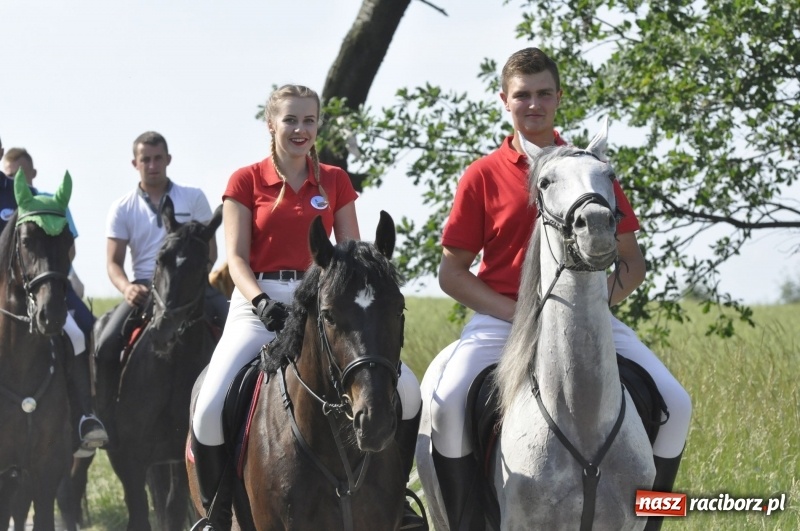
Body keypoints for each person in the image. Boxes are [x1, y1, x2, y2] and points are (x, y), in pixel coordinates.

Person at [430, 47, 692, 531]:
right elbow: (452, 273)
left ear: (559, 97)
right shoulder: (482, 175)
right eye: (522, 95)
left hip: (586, 316)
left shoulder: (589, 169)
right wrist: (521, 315)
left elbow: (632, 262)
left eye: (544, 93)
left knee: (676, 404)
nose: (534, 104)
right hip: (502, 319)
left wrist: (586, 307)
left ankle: (651, 521)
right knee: (445, 405)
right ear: (504, 101)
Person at [189, 84, 425, 531]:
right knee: (211, 403)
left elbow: (351, 254)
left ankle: (398, 500)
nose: (301, 129)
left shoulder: (334, 180)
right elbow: (235, 258)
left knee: (408, 392)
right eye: (291, 120)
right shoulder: (245, 180)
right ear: (271, 124)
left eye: (309, 120)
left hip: (324, 302)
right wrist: (261, 302)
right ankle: (216, 514)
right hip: (258, 302)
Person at [94, 131, 229, 443]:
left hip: (193, 287)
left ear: (168, 160)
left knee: (236, 332)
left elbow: (210, 252)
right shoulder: (122, 207)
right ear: (135, 163)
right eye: (146, 159)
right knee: (105, 345)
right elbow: (113, 262)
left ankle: (235, 416)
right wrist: (126, 288)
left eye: (158, 158)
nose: (152, 165)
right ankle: (102, 422)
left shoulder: (193, 197)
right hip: (144, 288)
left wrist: (192, 280)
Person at [1, 146, 108, 457]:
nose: (17, 179)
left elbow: (64, 245)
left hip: (40, 283)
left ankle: (84, 415)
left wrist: (60, 275)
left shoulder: (43, 200)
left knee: (79, 332)